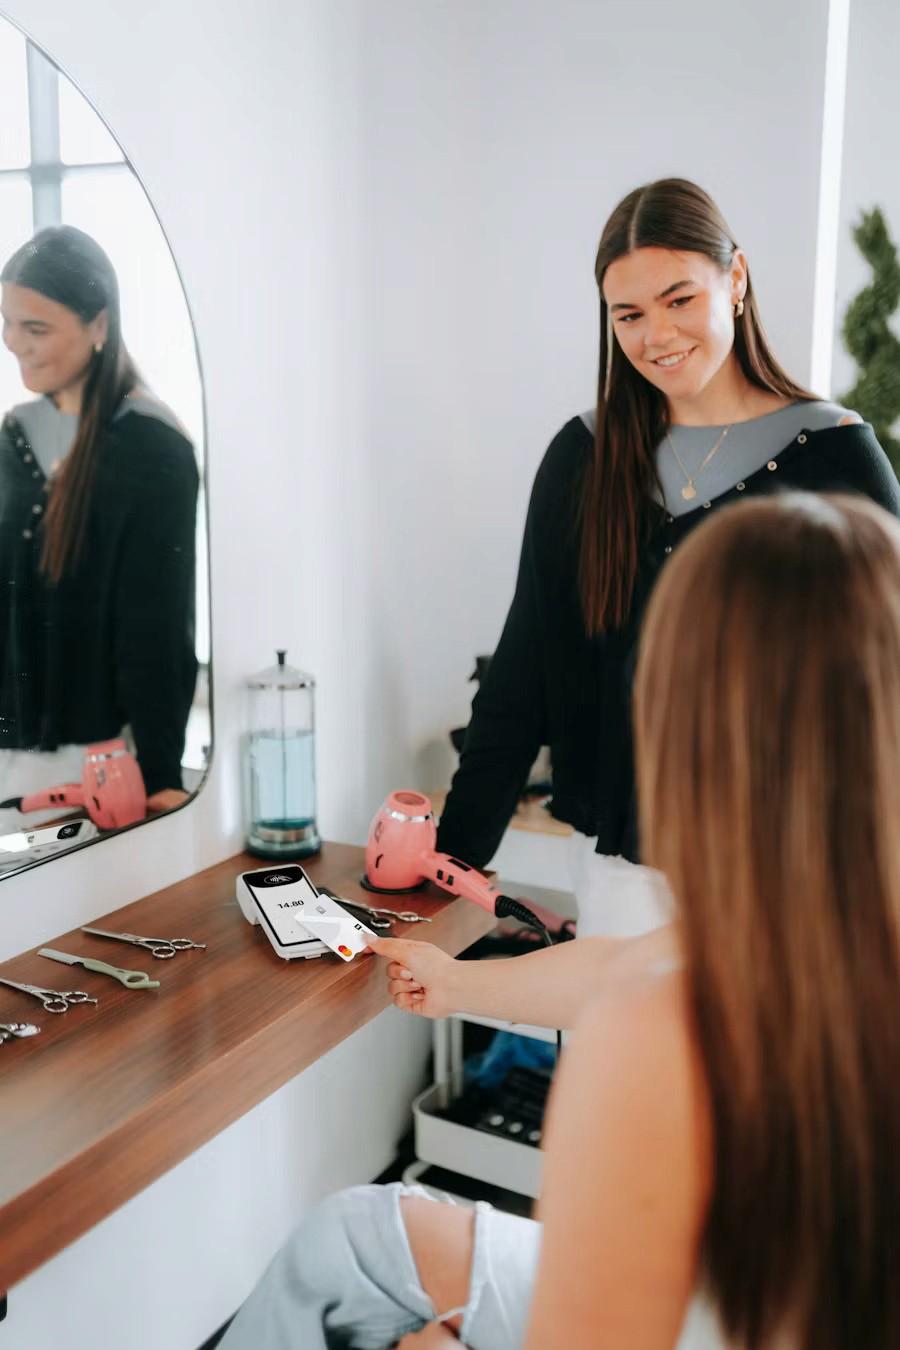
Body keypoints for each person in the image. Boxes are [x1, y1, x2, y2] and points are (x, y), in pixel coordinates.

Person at [219, 491, 900, 1348]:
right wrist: (455, 979)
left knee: (339, 1278)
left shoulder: (649, 1051)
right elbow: (625, 963)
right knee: (355, 1236)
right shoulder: (825, 914)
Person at [436, 176, 900, 940]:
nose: (657, 335)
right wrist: (448, 864)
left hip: (787, 879)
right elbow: (522, 680)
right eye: (630, 314)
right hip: (623, 877)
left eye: (680, 299)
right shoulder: (584, 456)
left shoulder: (836, 457)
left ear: (736, 279)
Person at [0, 225, 199, 826]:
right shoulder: (14, 436)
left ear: (99, 327)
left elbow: (158, 628)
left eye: (37, 328)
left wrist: (163, 774)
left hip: (95, 763)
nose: (15, 345)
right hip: (10, 757)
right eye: (7, 322)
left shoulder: (152, 449)